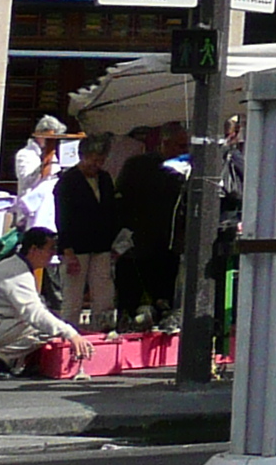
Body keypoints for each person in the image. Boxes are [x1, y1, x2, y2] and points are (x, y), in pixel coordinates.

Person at [0, 227, 91, 380]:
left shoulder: (16, 265)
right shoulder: (17, 273)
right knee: (44, 328)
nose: (54, 253)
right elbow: (35, 315)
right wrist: (71, 333)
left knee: (46, 321)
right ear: (34, 249)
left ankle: (14, 362)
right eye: (50, 248)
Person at [114, 122, 191, 330]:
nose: (185, 152)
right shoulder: (137, 165)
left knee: (163, 299)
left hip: (169, 245)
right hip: (136, 244)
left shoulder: (187, 168)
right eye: (181, 146)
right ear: (165, 144)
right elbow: (120, 201)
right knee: (130, 300)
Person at [54, 135, 122, 333]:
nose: (97, 164)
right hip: (76, 246)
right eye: (93, 159)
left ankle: (102, 330)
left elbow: (111, 211)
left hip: (101, 244)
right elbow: (62, 218)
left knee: (104, 292)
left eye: (101, 160)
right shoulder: (68, 181)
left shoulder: (105, 178)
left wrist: (114, 243)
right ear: (82, 156)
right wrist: (67, 251)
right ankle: (68, 334)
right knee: (73, 295)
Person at [13, 117, 74, 232]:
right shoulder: (25, 154)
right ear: (39, 134)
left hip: (49, 208)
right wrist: (43, 164)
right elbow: (27, 180)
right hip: (31, 209)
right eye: (49, 138)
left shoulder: (52, 154)